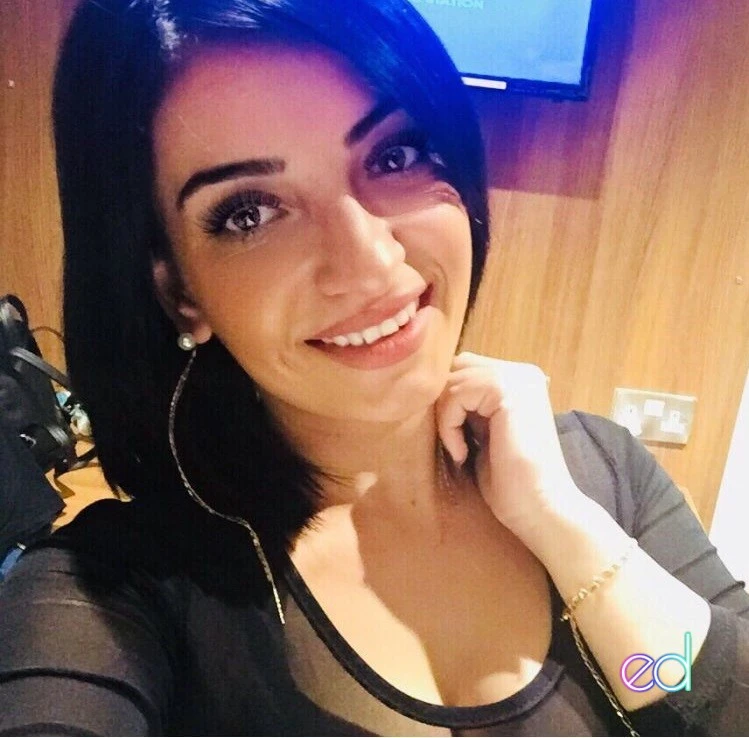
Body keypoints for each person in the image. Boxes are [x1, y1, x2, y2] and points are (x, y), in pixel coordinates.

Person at [0, 0, 747, 734]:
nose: (368, 262)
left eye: (394, 155)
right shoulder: (120, 595)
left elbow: (691, 694)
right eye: (250, 212)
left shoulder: (601, 478)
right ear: (179, 293)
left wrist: (566, 531)